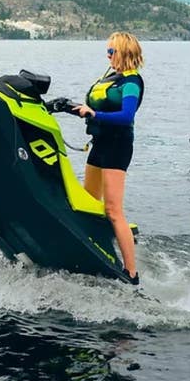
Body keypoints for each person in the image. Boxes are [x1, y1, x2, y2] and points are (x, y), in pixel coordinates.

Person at [73, 32, 144, 284]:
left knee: (113, 210)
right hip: (100, 144)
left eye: (112, 51)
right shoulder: (109, 78)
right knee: (89, 201)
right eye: (107, 51)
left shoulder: (132, 82)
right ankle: (94, 248)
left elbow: (126, 116)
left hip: (117, 147)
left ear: (124, 52)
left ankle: (131, 272)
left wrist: (94, 115)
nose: (108, 56)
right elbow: (95, 108)